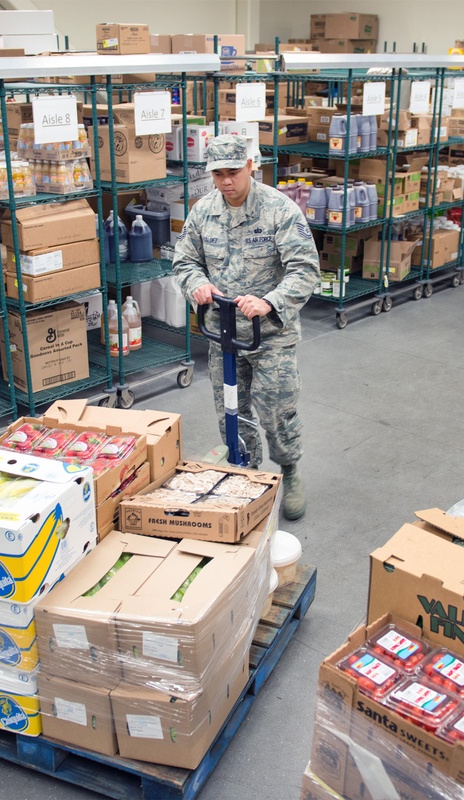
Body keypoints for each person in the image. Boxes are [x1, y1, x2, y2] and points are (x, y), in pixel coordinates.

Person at [172, 135, 320, 520]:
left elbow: (305, 269)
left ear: (251, 165)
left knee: (275, 409)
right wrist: (196, 284)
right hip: (223, 335)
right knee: (231, 414)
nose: (225, 182)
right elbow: (184, 262)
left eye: (233, 172)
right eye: (218, 174)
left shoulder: (279, 210)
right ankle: (249, 477)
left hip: (270, 335)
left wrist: (270, 301)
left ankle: (290, 470)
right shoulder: (203, 212)